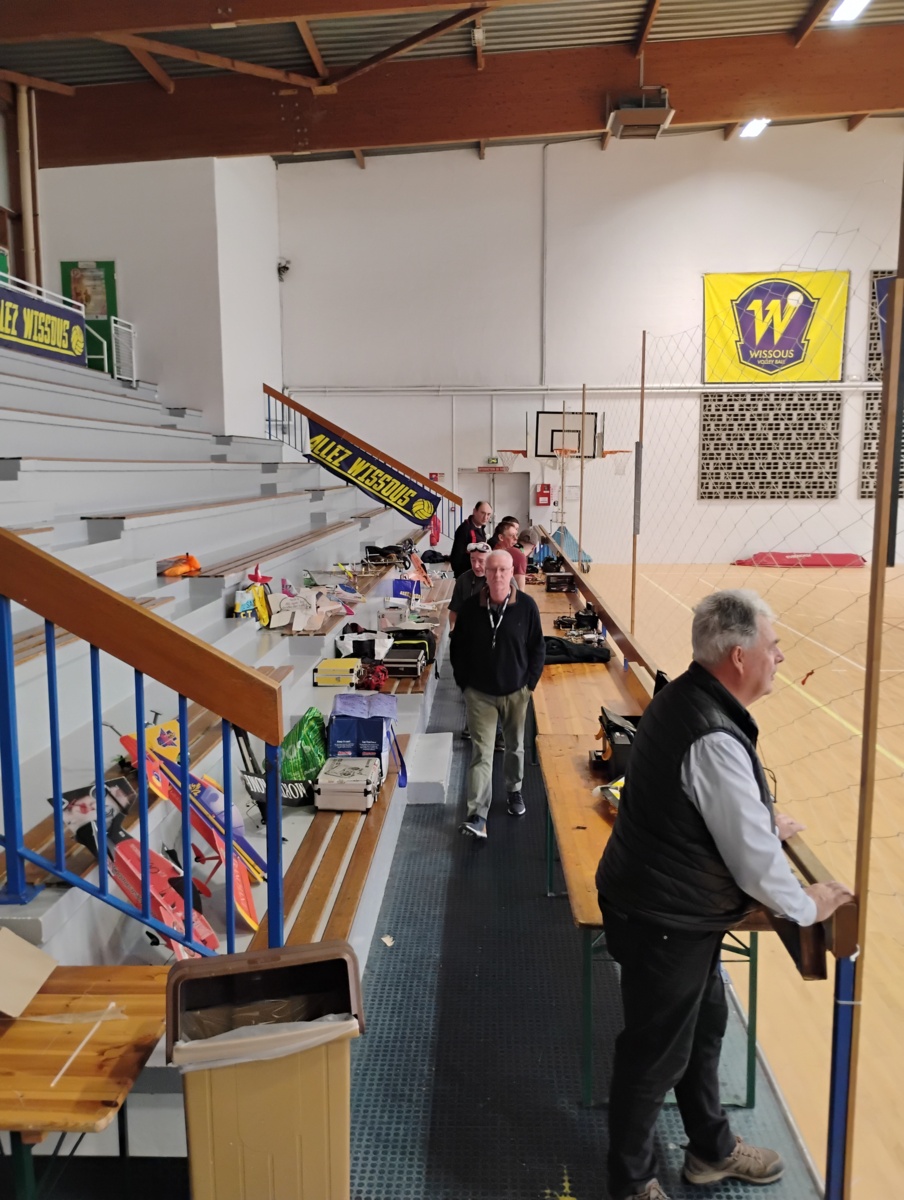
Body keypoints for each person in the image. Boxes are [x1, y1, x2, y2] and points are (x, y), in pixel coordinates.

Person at [595, 589, 854, 1200]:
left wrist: (757, 819)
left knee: (704, 1028)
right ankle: (630, 1184)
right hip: (664, 917)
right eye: (773, 645)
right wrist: (806, 904)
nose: (780, 656)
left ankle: (709, 1151)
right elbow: (755, 865)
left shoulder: (688, 698)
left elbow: (706, 808)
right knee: (654, 1055)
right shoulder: (710, 734)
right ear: (739, 657)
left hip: (668, 906)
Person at [450, 550, 545, 838]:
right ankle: (477, 815)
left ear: (512, 572)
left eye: (503, 570)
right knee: (482, 752)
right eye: (492, 570)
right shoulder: (470, 608)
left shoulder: (527, 607)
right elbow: (457, 648)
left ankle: (514, 790)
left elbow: (537, 648)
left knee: (515, 746)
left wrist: (529, 685)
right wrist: (465, 685)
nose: (498, 575)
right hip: (480, 695)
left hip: (516, 692)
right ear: (486, 574)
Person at [448, 542, 490, 630]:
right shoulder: (463, 580)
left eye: (481, 561)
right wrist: (452, 631)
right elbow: (454, 611)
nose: (476, 565)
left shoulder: (502, 579)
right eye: (473, 560)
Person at [450, 501, 493, 578]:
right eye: (483, 513)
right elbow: (456, 556)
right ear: (474, 511)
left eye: (488, 514)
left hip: (478, 574)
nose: (485, 517)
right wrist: (461, 579)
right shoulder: (464, 529)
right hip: (466, 576)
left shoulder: (481, 527)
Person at [493, 519, 528, 590]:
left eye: (516, 535)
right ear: (501, 537)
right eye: (512, 536)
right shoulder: (516, 554)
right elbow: (521, 590)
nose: (516, 538)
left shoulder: (493, 551)